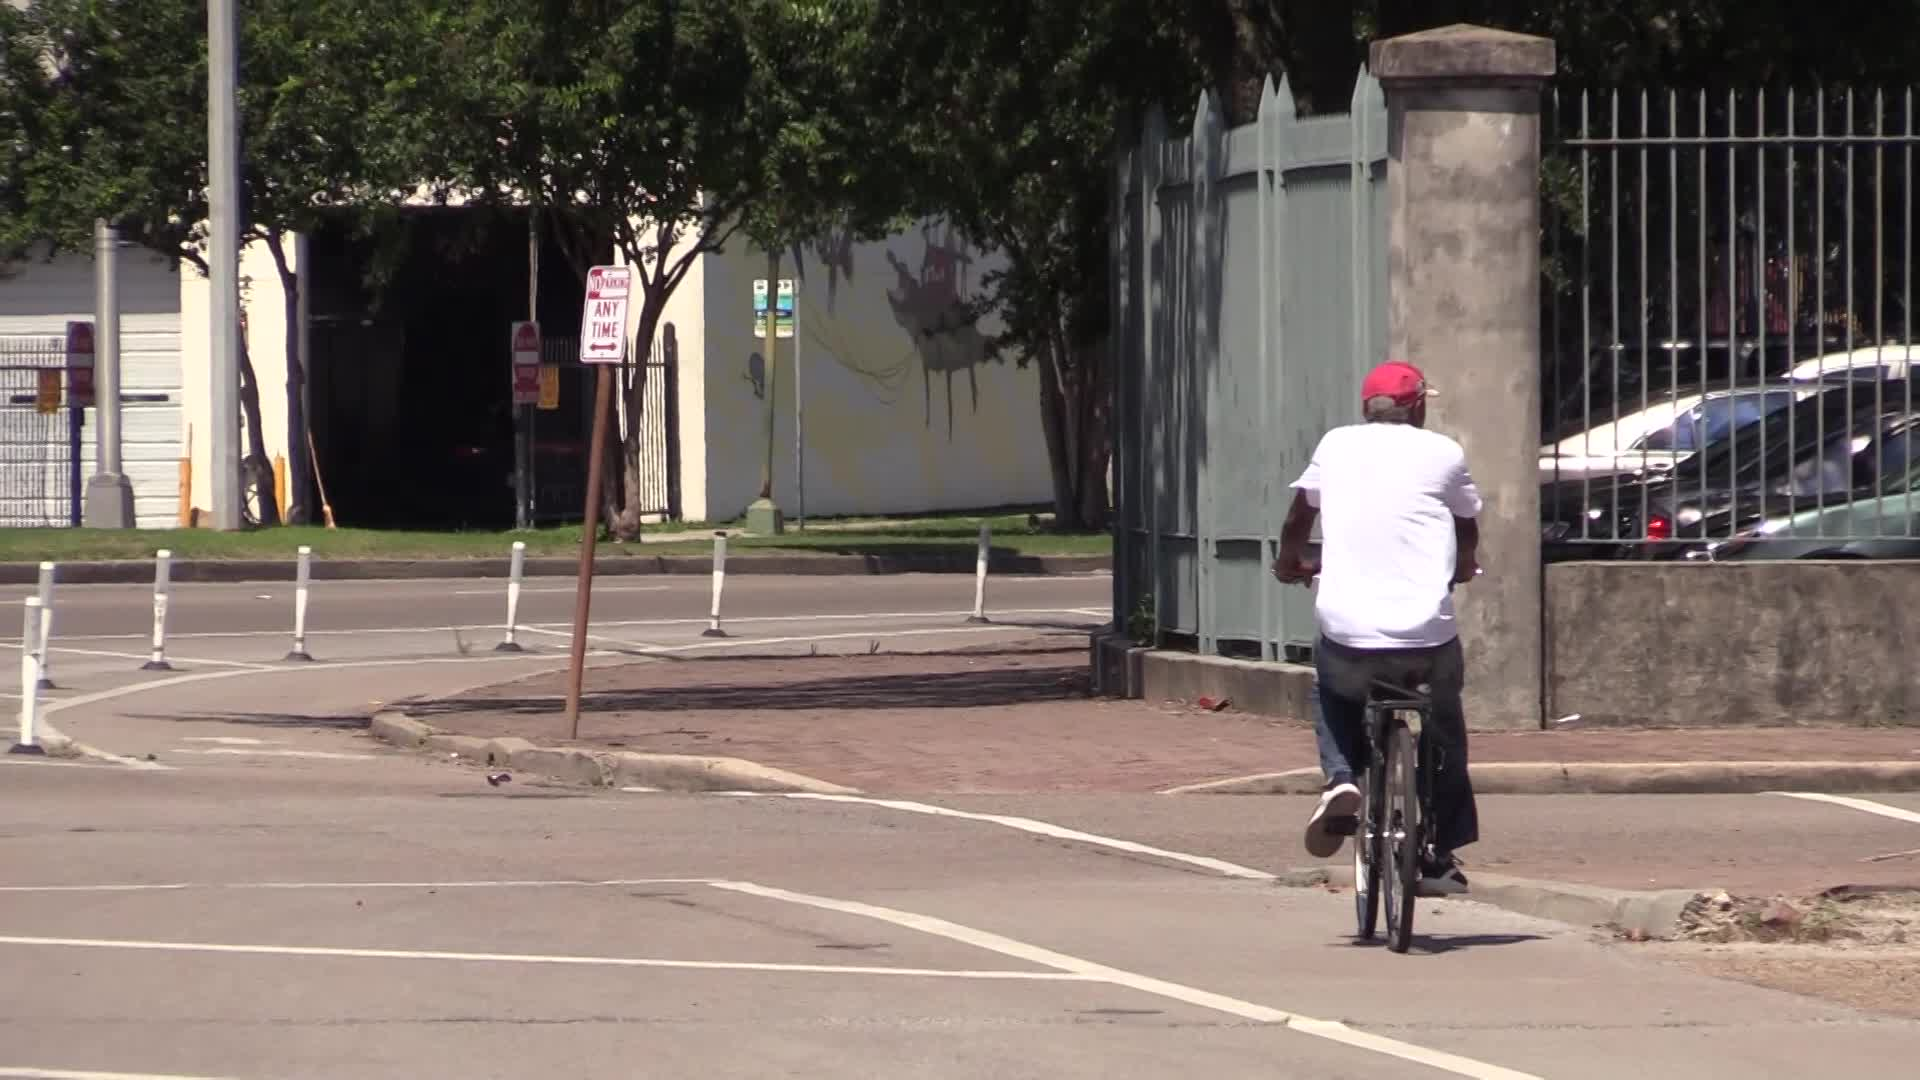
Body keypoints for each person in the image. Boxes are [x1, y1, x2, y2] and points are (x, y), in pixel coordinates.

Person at [1271, 359, 1482, 896]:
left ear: (1368, 408)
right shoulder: (1445, 452)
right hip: (1424, 637)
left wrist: (1289, 562)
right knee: (1444, 719)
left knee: (1330, 688)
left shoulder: (1336, 445)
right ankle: (1439, 853)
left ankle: (1341, 779)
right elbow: (1465, 525)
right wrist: (1459, 568)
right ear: (1417, 406)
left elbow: (1300, 517)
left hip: (1350, 635)